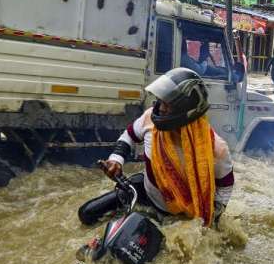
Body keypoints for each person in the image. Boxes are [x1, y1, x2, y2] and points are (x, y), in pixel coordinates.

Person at [82, 68, 234, 228]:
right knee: (87, 214)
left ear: (186, 108)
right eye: (160, 101)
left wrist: (211, 221)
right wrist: (116, 160)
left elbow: (226, 186)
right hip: (144, 194)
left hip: (182, 216)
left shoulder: (216, 148)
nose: (160, 108)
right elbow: (129, 135)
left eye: (168, 105)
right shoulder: (150, 119)